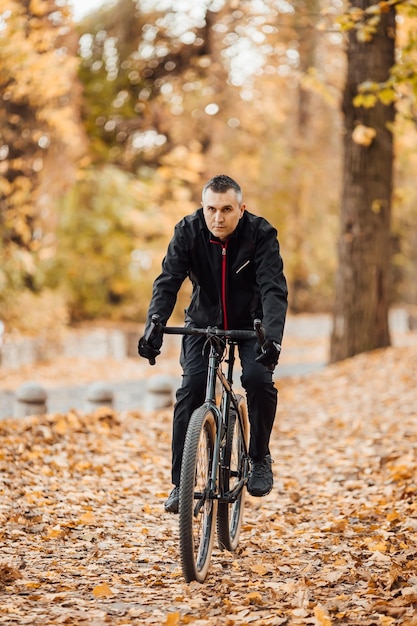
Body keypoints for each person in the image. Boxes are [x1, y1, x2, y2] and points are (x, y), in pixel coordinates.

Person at [138, 174, 288, 513]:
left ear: (241, 209)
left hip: (253, 324)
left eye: (226, 209)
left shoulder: (261, 235)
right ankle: (181, 484)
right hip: (203, 321)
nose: (217, 218)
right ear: (202, 208)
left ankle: (259, 457)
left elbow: (273, 289)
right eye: (211, 209)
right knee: (190, 389)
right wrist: (154, 326)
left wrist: (273, 338)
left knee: (257, 379)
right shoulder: (188, 231)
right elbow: (168, 281)